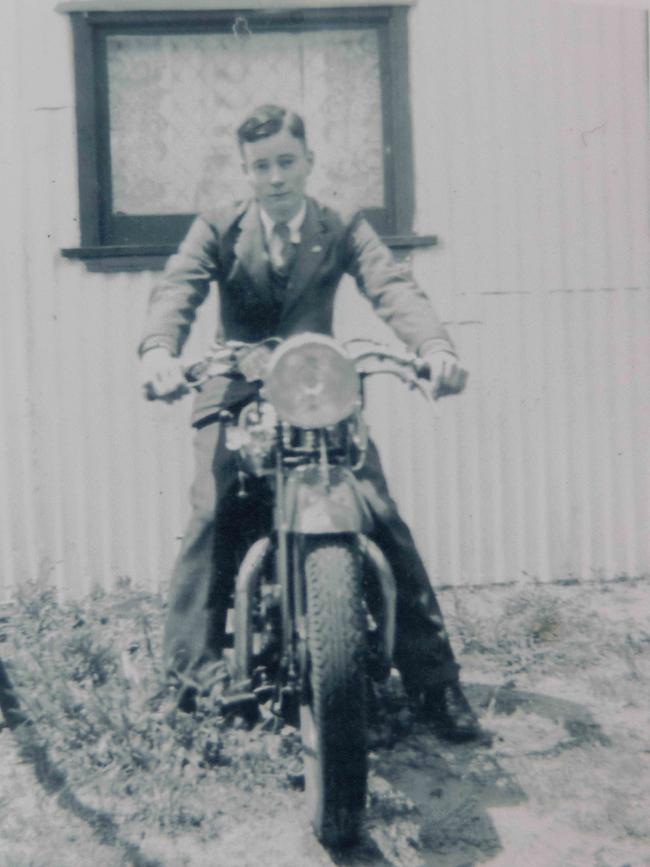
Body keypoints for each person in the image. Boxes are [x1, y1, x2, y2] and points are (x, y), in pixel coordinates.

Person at [139, 105, 482, 742]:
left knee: (379, 511)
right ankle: (192, 687)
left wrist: (436, 348)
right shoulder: (218, 226)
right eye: (261, 166)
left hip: (319, 388)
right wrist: (160, 351)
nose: (275, 178)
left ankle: (436, 684)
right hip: (237, 385)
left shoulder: (340, 224)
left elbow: (392, 286)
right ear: (245, 172)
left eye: (286, 162)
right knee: (214, 514)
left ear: (309, 162)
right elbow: (176, 289)